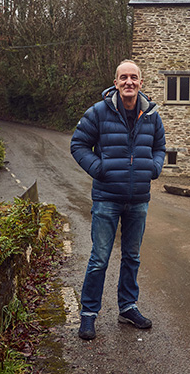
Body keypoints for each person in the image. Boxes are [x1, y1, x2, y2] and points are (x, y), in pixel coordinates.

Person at [70, 59, 166, 340]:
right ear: (115, 83)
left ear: (141, 82)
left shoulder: (150, 114)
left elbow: (160, 146)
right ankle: (88, 314)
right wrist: (100, 169)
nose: (129, 82)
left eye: (134, 77)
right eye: (123, 77)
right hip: (106, 198)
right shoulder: (98, 112)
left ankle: (127, 307)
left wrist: (154, 167)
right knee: (99, 258)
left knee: (132, 257)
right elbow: (78, 145)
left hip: (138, 198)